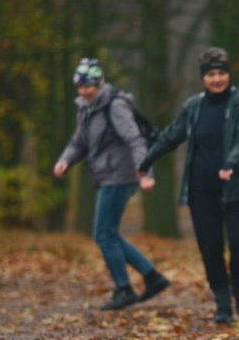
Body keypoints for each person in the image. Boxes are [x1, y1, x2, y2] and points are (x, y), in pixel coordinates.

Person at [139, 47, 239, 322]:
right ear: (203, 78)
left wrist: (230, 162)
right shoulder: (194, 106)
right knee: (210, 247)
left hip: (237, 184)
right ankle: (222, 304)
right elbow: (172, 135)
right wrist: (147, 160)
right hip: (200, 188)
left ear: (228, 73)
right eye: (211, 74)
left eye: (221, 73)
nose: (217, 79)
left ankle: (237, 284)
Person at [54, 58, 170, 311]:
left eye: (90, 86)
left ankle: (124, 288)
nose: (85, 91)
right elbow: (79, 142)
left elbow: (134, 139)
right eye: (81, 87)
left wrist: (145, 171)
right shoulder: (85, 108)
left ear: (100, 82)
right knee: (110, 234)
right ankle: (152, 277)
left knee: (103, 234)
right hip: (106, 174)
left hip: (120, 175)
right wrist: (65, 160)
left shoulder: (114, 105)